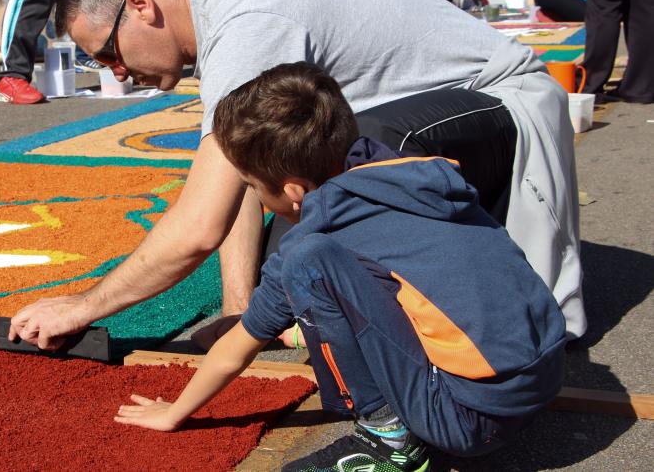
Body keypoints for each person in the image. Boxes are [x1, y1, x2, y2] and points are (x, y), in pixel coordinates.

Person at [7, 0, 585, 354]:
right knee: (286, 227)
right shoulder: (221, 1)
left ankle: (450, 319)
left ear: (140, 4)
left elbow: (200, 226)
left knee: (346, 191)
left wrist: (85, 306)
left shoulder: (248, 20)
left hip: (503, 106)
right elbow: (235, 174)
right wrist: (240, 311)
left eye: (108, 53)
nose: (117, 73)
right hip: (450, 114)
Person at [114, 62, 567, 472]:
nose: (253, 195)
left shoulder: (314, 239)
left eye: (252, 186)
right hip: (543, 381)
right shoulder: (417, 177)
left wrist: (172, 413)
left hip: (471, 419)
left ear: (293, 191)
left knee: (311, 265)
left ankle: (390, 442)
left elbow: (236, 350)